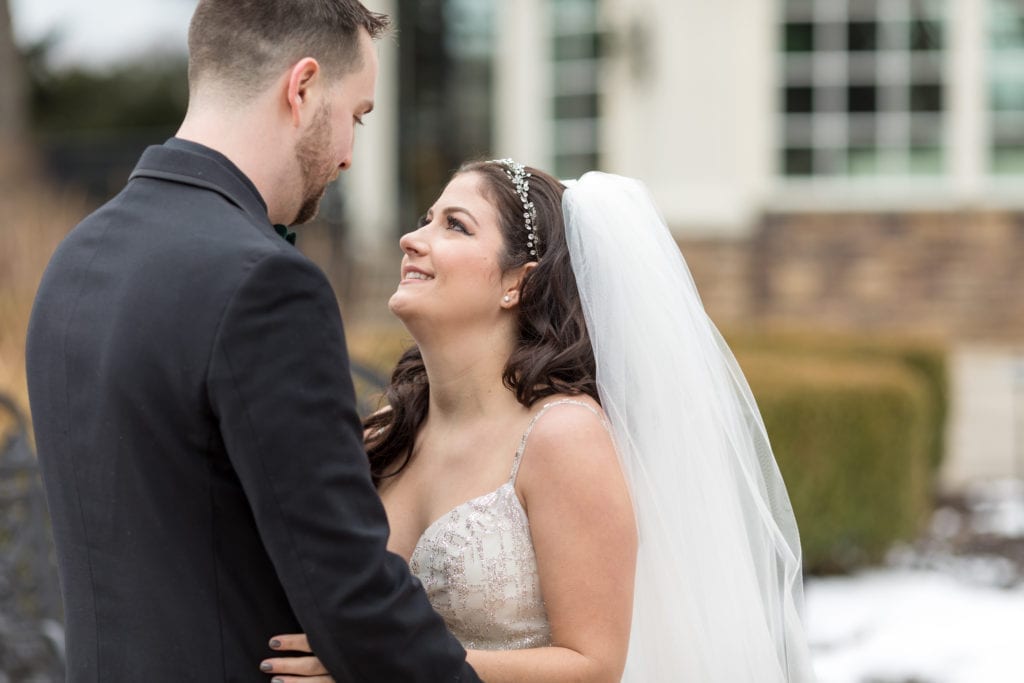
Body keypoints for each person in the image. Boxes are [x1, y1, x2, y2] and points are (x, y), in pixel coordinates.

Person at [25, 1, 480, 681]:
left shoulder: (74, 258)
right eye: (356, 116)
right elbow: (350, 592)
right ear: (301, 89)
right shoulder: (266, 284)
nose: (351, 155)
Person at [262, 160, 817, 681]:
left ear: (519, 284)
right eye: (424, 219)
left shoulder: (562, 435)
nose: (414, 238)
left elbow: (593, 666)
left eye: (455, 225)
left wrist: (388, 667)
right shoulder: (386, 430)